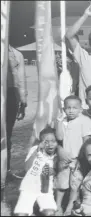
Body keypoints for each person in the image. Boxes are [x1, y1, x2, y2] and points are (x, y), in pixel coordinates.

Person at [54, 95, 91, 215]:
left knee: (75, 185)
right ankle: (58, 205)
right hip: (64, 159)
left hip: (77, 159)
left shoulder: (84, 121)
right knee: (61, 182)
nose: (71, 110)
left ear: (80, 109)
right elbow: (59, 137)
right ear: (64, 109)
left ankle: (70, 205)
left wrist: (81, 159)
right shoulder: (63, 122)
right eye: (68, 108)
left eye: (75, 108)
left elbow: (86, 140)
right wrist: (59, 122)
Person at [13, 127, 58, 216]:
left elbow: (58, 172)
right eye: (46, 142)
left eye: (53, 141)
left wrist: (53, 171)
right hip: (29, 187)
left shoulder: (58, 155)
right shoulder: (35, 149)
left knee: (50, 213)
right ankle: (31, 207)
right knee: (21, 215)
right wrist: (36, 151)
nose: (50, 144)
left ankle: (39, 206)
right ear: (41, 142)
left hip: (45, 189)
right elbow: (26, 168)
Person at [5, 45, 28, 179]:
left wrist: (23, 102)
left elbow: (21, 80)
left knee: (6, 136)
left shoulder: (16, 54)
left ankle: (5, 170)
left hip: (10, 95)